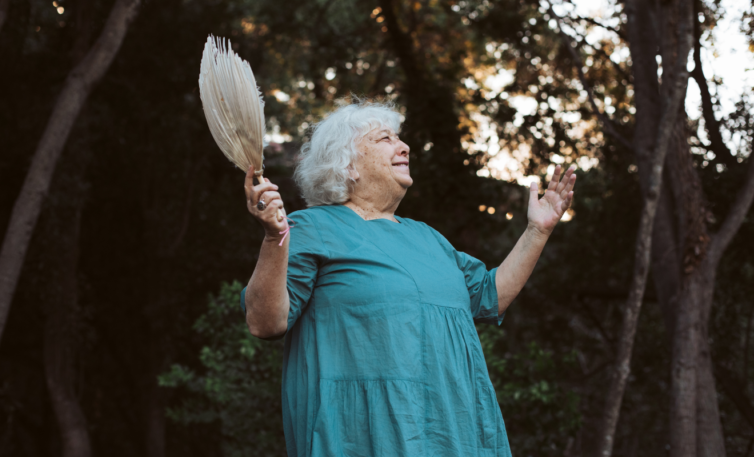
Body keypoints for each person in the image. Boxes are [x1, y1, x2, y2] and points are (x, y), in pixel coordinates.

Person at [241, 100, 576, 457]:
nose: (404, 147)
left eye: (399, 138)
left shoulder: (429, 238)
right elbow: (265, 322)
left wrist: (537, 231)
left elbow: (490, 296)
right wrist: (272, 237)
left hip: (455, 432)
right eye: (385, 138)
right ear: (348, 165)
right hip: (363, 436)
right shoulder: (312, 228)